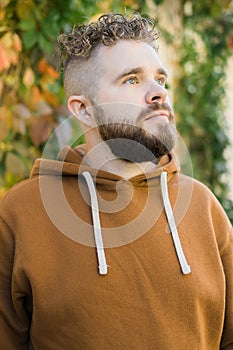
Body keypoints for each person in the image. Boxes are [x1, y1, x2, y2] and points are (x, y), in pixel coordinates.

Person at [0, 12, 232, 350]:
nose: (158, 94)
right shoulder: (21, 213)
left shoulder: (203, 207)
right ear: (83, 110)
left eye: (160, 80)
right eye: (133, 80)